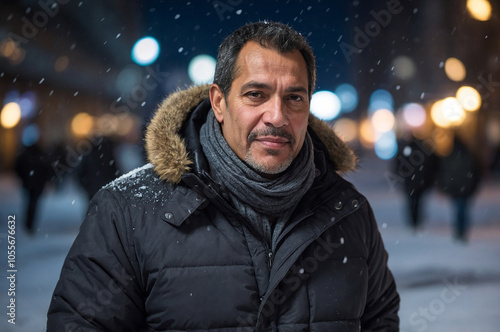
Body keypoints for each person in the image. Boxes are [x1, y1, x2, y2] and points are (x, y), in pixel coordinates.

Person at [47, 22, 399, 331]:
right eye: (256, 94)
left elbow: (380, 319)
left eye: (294, 97)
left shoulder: (349, 211)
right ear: (219, 102)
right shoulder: (126, 210)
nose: (276, 115)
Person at [437, 135, 481, 242]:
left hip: (456, 188)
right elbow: (476, 172)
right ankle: (461, 229)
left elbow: (443, 172)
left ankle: (459, 229)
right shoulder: (468, 155)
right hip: (464, 187)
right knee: (462, 209)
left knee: (458, 209)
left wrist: (444, 185)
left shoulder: (451, 156)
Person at [395, 136, 438, 231]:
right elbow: (433, 166)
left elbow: (398, 164)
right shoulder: (424, 152)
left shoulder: (407, 152)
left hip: (410, 182)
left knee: (411, 201)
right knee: (418, 202)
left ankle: (413, 221)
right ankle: (416, 220)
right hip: (420, 182)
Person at [14, 142, 52, 234]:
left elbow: (18, 168)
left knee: (30, 203)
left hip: (29, 184)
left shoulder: (26, 155)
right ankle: (30, 223)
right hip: (37, 184)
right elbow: (47, 170)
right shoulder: (41, 156)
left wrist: (23, 179)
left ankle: (28, 222)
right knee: (34, 203)